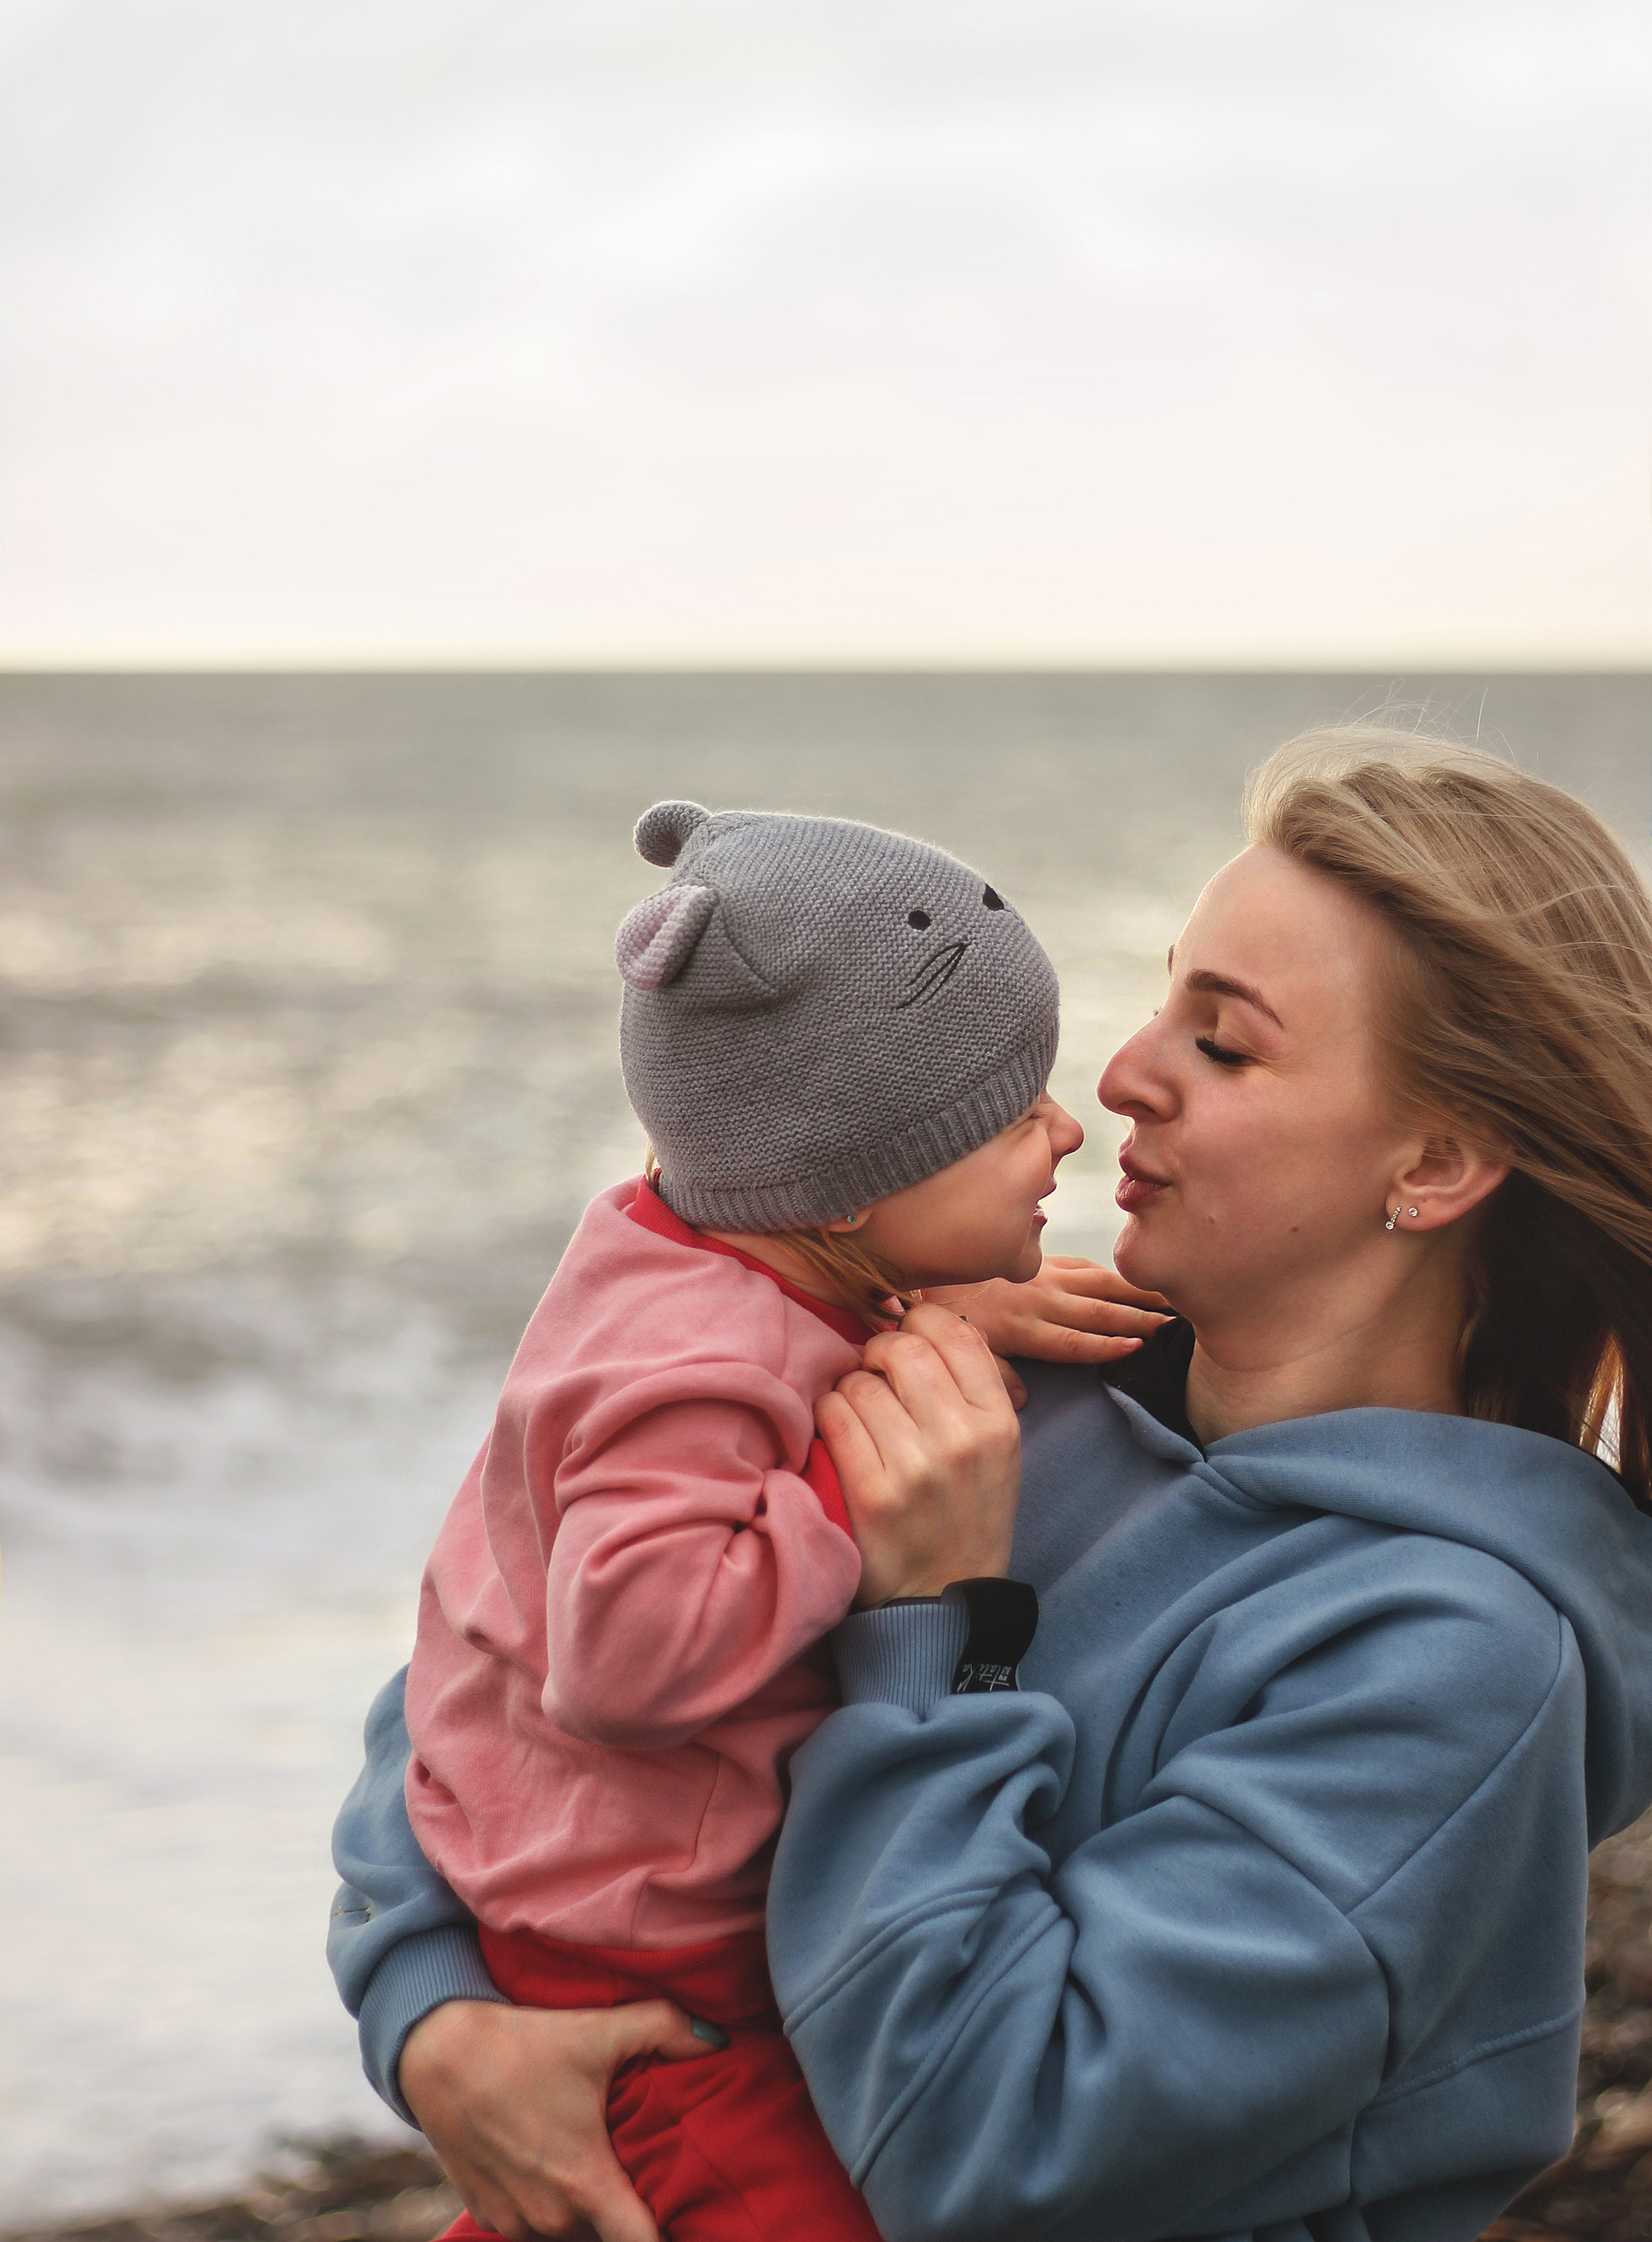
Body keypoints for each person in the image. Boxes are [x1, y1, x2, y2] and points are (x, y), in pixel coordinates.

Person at [330, 730, 1652, 2242]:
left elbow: (1001, 2151)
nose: (1116, 1075)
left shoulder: (1453, 1658)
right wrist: (433, 2012)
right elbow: (504, 1663)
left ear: (1433, 1160)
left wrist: (937, 1636)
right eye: (1162, 994)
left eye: (1221, 1041)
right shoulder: (978, 1384)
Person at [387, 795, 1154, 2242]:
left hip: (634, 1921)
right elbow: (624, 1659)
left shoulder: (721, 1257)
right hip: (646, 1989)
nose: (1065, 1129)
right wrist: (858, 1476)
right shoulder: (679, 1365)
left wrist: (927, 1302)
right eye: (1005, 1115)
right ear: (851, 1184)